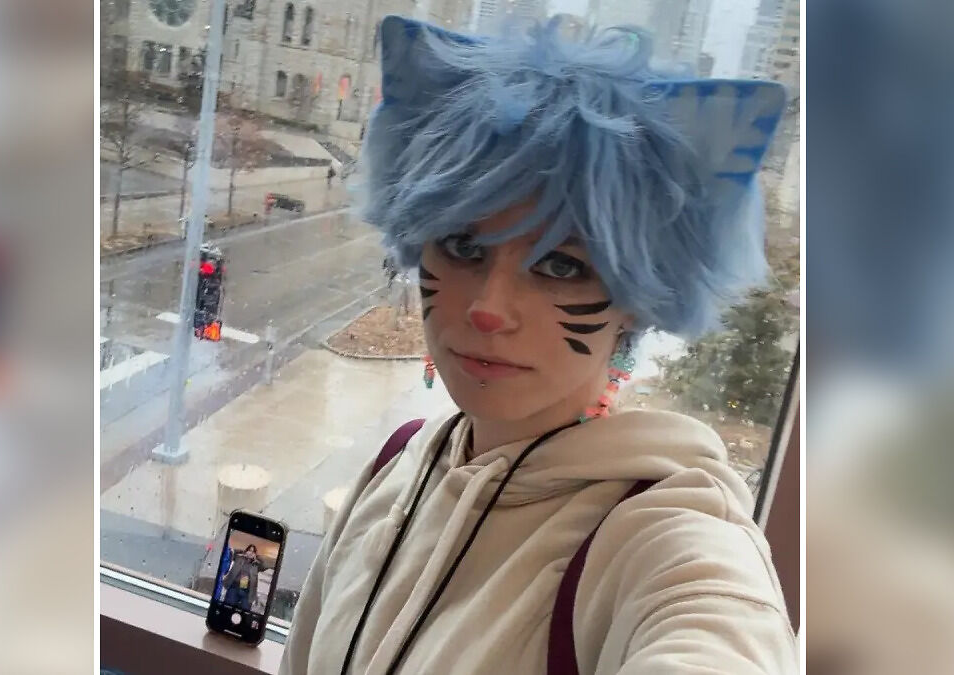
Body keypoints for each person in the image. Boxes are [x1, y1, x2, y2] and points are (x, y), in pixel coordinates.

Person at [281, 15, 797, 675]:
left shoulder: (660, 536)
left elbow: (716, 632)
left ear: (640, 297)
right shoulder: (394, 467)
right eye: (463, 246)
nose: (489, 308)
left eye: (561, 265)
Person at [221, 544, 262, 613]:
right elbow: (231, 551)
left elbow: (265, 562)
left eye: (253, 552)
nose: (251, 553)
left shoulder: (256, 564)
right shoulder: (239, 557)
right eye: (249, 550)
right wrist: (243, 553)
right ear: (246, 551)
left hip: (247, 591)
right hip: (235, 587)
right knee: (228, 607)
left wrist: (256, 558)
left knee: (244, 611)